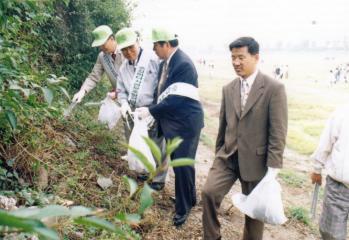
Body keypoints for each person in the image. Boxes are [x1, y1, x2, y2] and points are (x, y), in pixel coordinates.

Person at [201, 37, 288, 240]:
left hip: (257, 161)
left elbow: (278, 131)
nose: (236, 62)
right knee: (208, 192)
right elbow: (223, 126)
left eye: (241, 57)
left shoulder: (274, 89)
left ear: (256, 57)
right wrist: (218, 155)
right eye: (233, 58)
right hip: (228, 156)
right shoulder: (229, 88)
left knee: (254, 214)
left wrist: (272, 169)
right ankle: (211, 237)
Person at [136, 27, 204, 226]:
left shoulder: (183, 64)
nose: (154, 49)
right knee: (183, 164)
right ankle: (190, 199)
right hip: (175, 123)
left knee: (182, 165)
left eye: (155, 45)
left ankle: (182, 211)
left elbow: (174, 100)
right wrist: (151, 108)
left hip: (186, 124)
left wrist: (151, 111)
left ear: (166, 44)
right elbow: (162, 93)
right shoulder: (167, 62)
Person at [114, 27, 166, 185]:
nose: (129, 52)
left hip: (153, 109)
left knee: (157, 144)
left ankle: (158, 179)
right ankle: (144, 171)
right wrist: (123, 103)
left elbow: (162, 86)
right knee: (140, 143)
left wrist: (154, 110)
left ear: (138, 42)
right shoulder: (123, 68)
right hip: (135, 112)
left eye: (131, 47)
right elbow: (121, 90)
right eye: (124, 50)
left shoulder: (153, 59)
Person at [310, 104, 349, 240]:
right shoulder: (342, 113)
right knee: (331, 234)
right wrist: (317, 168)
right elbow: (325, 142)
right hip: (340, 186)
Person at [72, 25, 123, 103]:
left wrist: (119, 92)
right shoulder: (102, 56)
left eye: (103, 44)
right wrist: (82, 92)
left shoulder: (125, 51)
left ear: (112, 39)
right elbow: (93, 77)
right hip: (119, 98)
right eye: (99, 45)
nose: (101, 48)